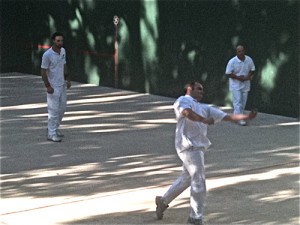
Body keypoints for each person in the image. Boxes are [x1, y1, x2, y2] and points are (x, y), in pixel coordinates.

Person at [155, 81, 257, 225]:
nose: (202, 92)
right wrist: (203, 120)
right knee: (199, 180)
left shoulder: (204, 108)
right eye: (199, 89)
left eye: (203, 90)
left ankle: (163, 201)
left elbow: (227, 117)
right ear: (189, 89)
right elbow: (187, 113)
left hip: (197, 149)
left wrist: (246, 117)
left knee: (187, 178)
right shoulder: (183, 100)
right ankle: (195, 218)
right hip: (188, 146)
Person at [41, 32, 71, 142]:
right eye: (58, 41)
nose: (60, 43)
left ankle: (53, 128)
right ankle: (51, 134)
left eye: (62, 41)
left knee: (62, 109)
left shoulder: (63, 51)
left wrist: (67, 79)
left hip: (62, 85)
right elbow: (43, 71)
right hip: (53, 87)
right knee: (53, 112)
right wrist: (47, 86)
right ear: (53, 41)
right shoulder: (47, 55)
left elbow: (64, 65)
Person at [225, 45, 255, 126]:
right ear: (236, 52)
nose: (241, 53)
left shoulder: (249, 60)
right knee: (237, 102)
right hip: (235, 85)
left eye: (242, 51)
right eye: (239, 51)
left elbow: (252, 70)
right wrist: (238, 78)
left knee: (243, 102)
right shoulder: (232, 61)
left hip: (246, 84)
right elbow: (228, 73)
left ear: (244, 51)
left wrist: (248, 77)